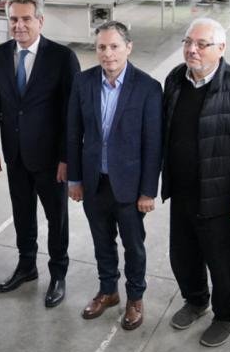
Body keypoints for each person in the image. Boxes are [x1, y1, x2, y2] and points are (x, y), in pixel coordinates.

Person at [162, 18, 230, 347]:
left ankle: (225, 314)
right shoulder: (175, 79)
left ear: (221, 48)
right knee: (183, 254)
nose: (192, 49)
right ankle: (195, 300)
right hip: (182, 189)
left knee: (221, 261)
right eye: (188, 42)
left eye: (202, 44)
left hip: (219, 196)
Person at [0, 0, 81, 307]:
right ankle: (26, 266)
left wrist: (67, 157)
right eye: (13, 19)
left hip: (51, 159)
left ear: (40, 20)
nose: (19, 25)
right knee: (22, 213)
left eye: (26, 19)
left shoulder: (62, 58)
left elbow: (72, 113)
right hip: (15, 154)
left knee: (56, 219)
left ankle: (58, 273)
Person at [67, 21, 162, 330]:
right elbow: (73, 132)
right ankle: (108, 291)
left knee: (133, 245)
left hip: (130, 187)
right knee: (101, 241)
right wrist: (75, 179)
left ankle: (135, 297)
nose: (107, 54)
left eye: (114, 46)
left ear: (128, 47)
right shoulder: (83, 82)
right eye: (101, 47)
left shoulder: (148, 88)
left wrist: (148, 191)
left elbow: (153, 144)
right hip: (95, 182)